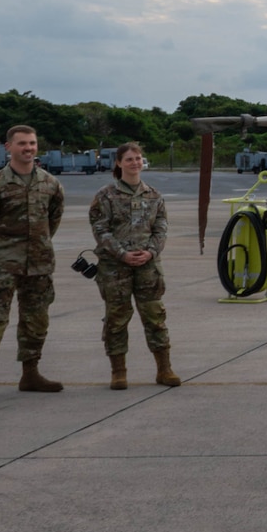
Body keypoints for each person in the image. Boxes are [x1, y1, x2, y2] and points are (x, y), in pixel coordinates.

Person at [0, 125, 67, 398]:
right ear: (8, 147)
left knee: (36, 320)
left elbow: (53, 219)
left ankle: (30, 373)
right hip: (3, 264)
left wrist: (40, 243)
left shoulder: (50, 184)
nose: (28, 149)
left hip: (40, 263)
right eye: (22, 143)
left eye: (32, 143)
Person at [89, 142, 176, 389]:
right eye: (129, 159)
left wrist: (150, 253)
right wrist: (122, 254)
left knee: (155, 316)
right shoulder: (105, 195)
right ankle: (118, 372)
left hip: (148, 267)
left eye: (138, 158)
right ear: (118, 163)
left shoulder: (154, 196)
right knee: (116, 318)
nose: (135, 163)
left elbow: (161, 229)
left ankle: (164, 369)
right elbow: (100, 229)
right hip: (115, 267)